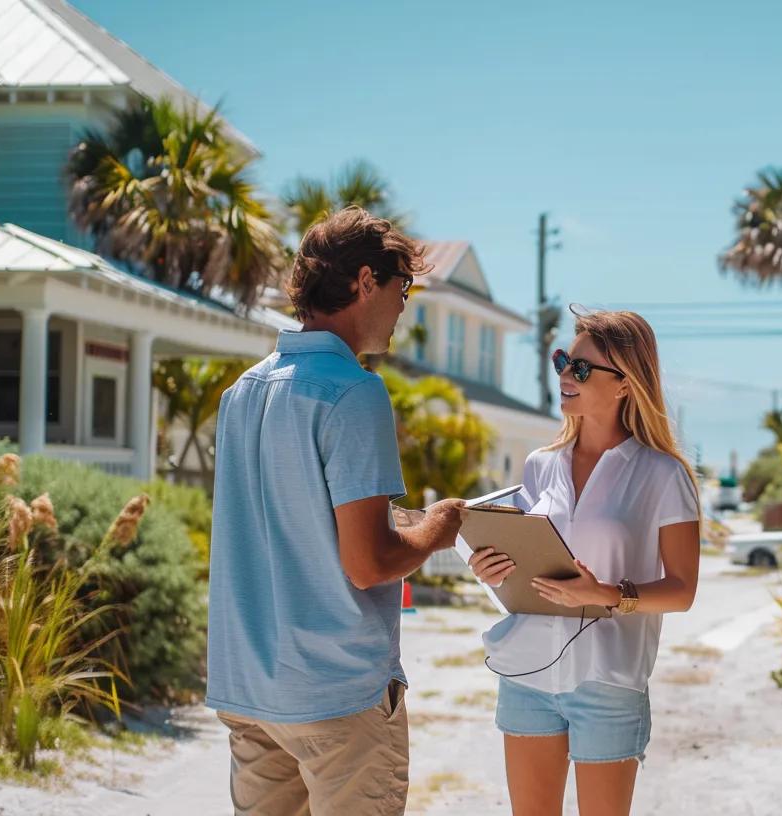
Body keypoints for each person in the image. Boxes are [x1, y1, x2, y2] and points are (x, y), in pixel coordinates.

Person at [207, 206, 465, 816]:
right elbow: (368, 563)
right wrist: (436, 529)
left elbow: (298, 532)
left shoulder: (239, 394)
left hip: (250, 690)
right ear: (366, 281)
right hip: (335, 694)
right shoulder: (354, 390)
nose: (404, 307)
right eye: (403, 289)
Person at [469, 308, 701, 816]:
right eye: (563, 361)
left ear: (625, 384)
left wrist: (608, 595)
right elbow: (528, 570)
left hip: (608, 681)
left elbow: (682, 590)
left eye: (580, 368)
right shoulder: (539, 466)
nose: (564, 376)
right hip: (526, 673)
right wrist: (492, 571)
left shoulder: (663, 474)